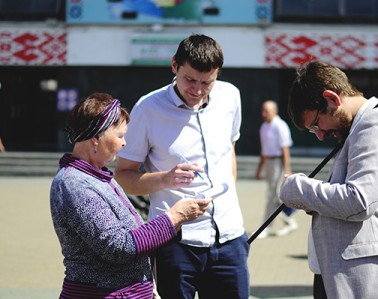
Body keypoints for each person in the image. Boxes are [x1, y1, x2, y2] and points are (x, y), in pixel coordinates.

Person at [114, 34, 250, 299]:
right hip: (175, 243)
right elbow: (123, 176)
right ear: (174, 65)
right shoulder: (148, 108)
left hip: (230, 238)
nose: (197, 90)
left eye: (207, 82)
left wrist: (227, 196)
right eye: (190, 79)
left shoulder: (231, 96)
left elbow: (229, 150)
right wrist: (165, 179)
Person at [279, 61, 378, 298]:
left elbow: (358, 201)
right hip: (348, 275)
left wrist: (297, 188)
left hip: (373, 278)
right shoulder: (359, 127)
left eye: (316, 124)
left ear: (332, 99)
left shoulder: (377, 124)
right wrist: (319, 202)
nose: (319, 135)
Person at [50, 92, 210, 298]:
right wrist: (175, 217)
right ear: (96, 138)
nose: (124, 143)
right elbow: (118, 247)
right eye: (120, 136)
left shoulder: (97, 176)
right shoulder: (74, 184)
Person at [255, 100, 297, 238]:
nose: (263, 114)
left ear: (274, 111)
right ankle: (289, 220)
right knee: (275, 196)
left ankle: (266, 227)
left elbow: (285, 148)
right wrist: (259, 169)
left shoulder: (280, 125)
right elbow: (263, 150)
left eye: (266, 111)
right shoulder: (263, 127)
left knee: (272, 196)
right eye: (263, 110)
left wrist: (287, 169)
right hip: (268, 163)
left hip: (277, 162)